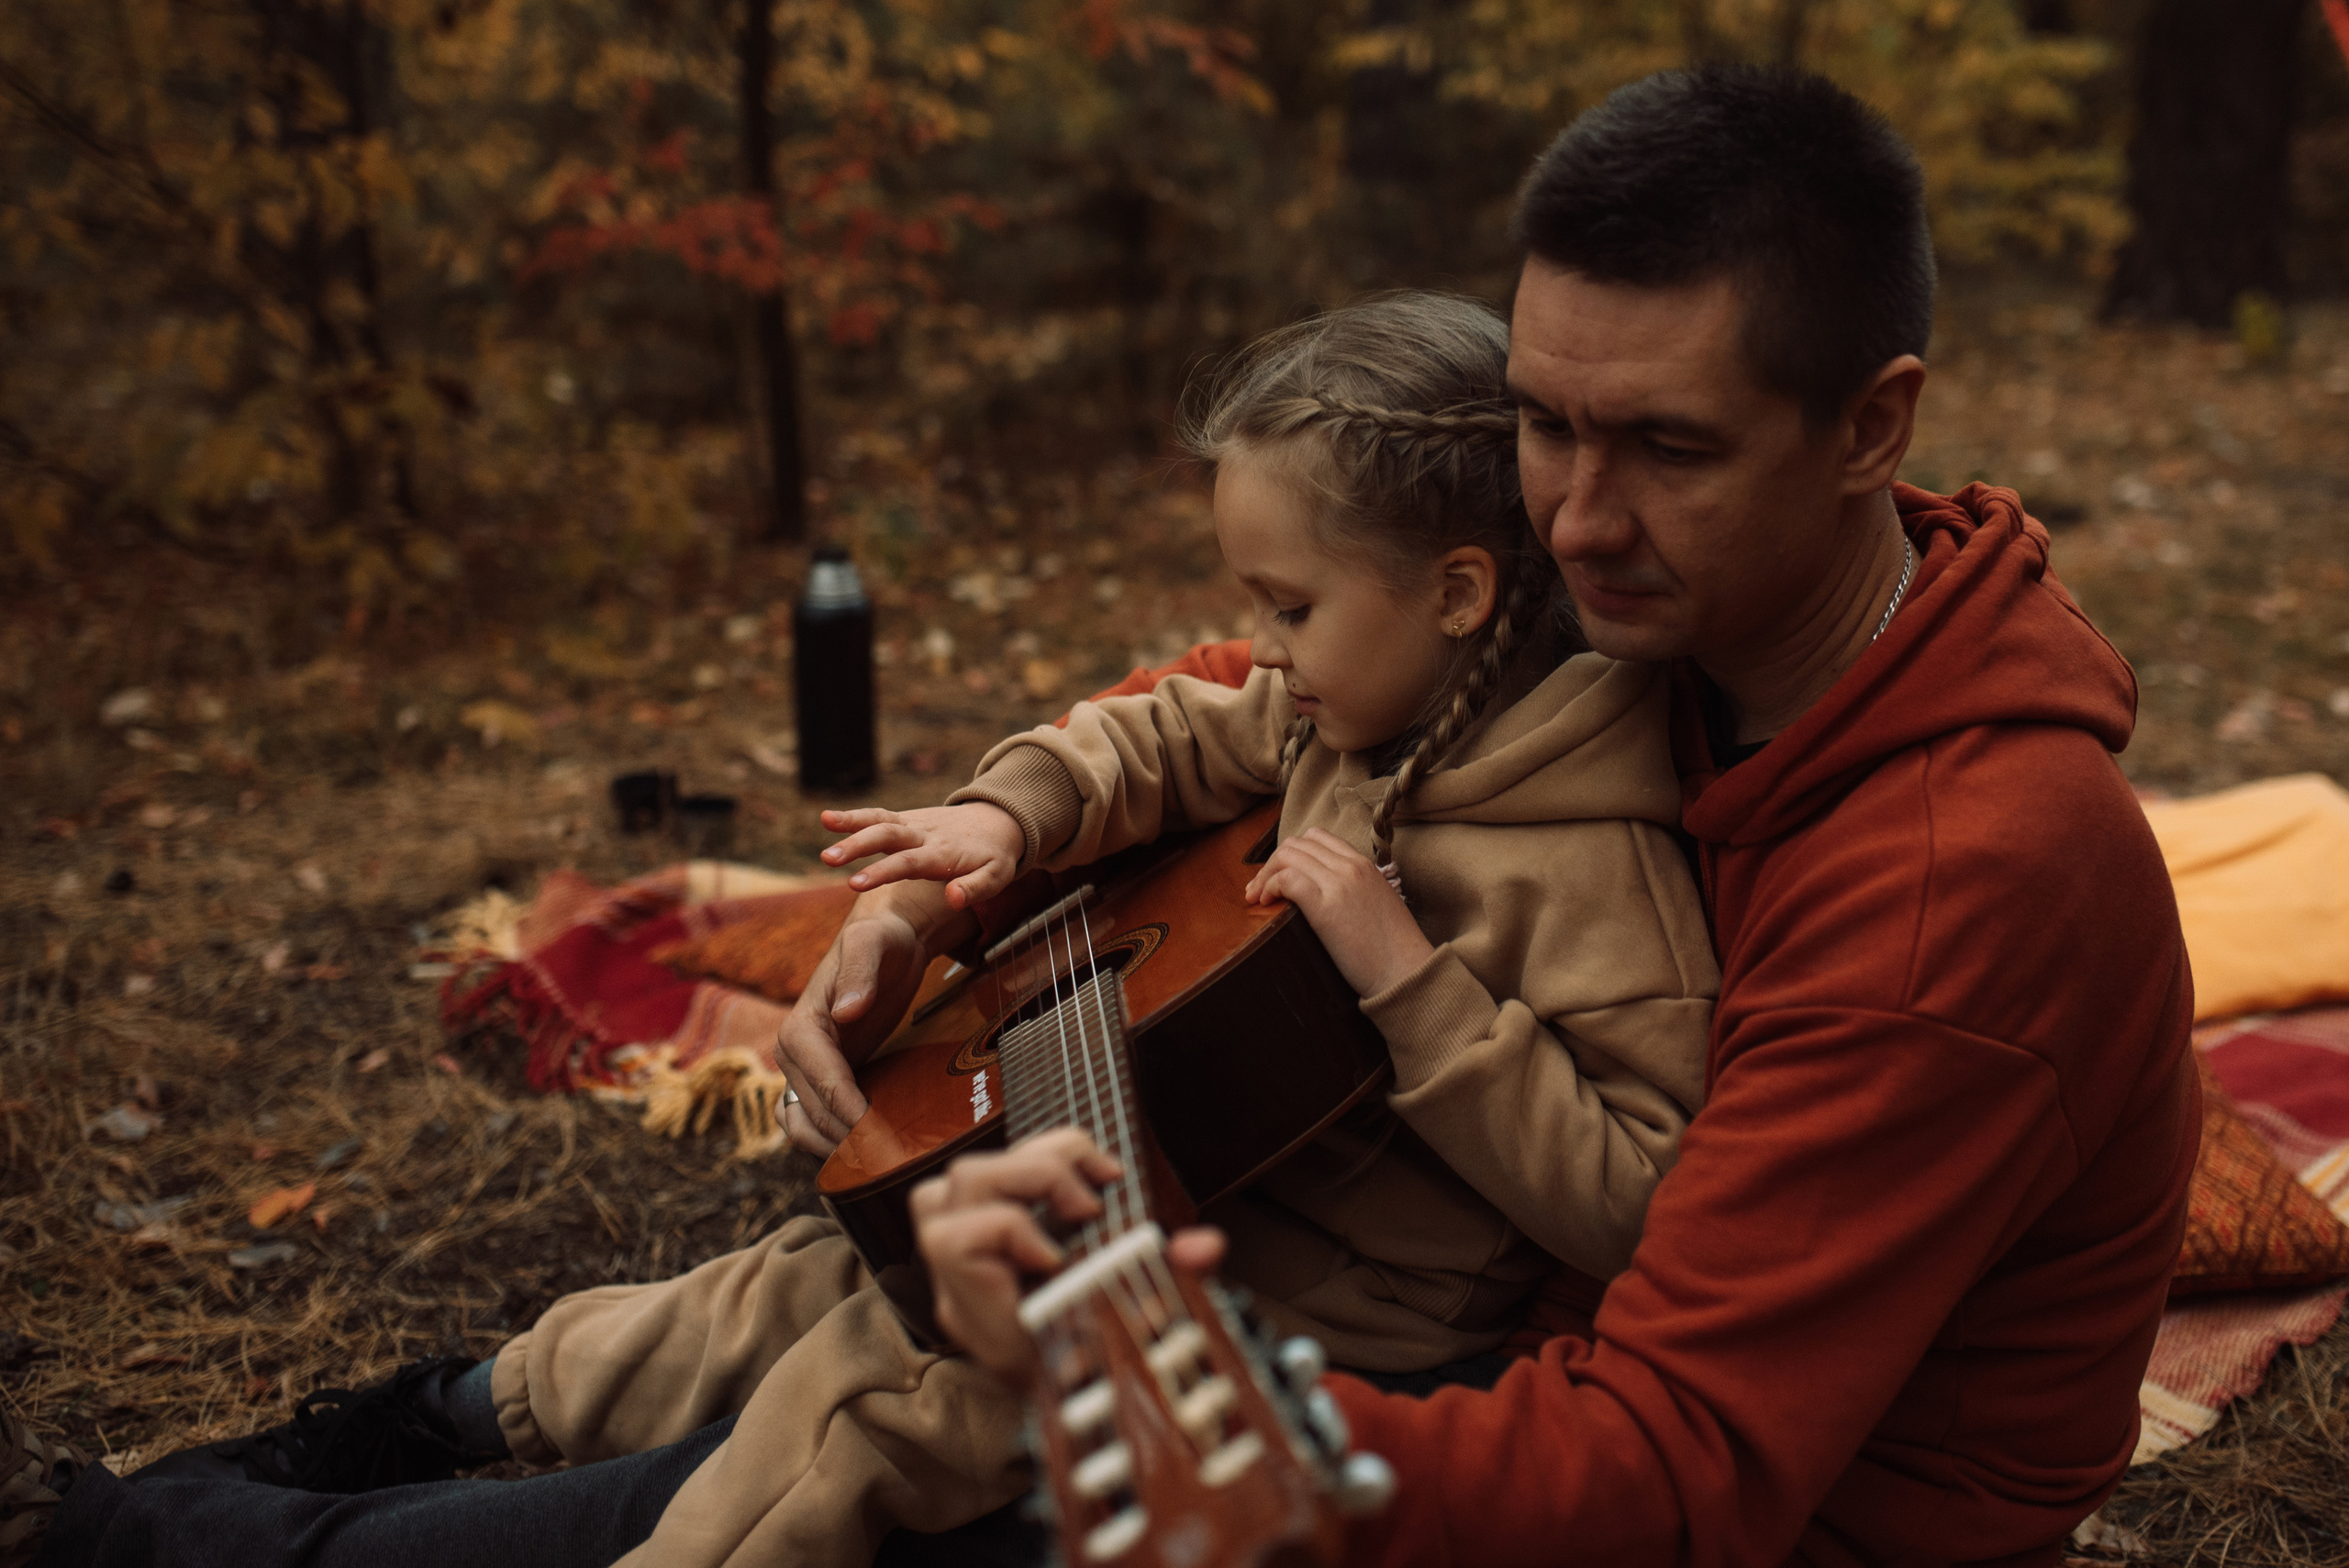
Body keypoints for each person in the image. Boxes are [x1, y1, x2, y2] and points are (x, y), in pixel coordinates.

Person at [16, 292, 1720, 1568]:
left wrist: (1416, 990)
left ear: (1461, 592)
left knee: (874, 1399)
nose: (1254, 653)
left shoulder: (1600, 861)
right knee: (785, 1278)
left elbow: (1639, 1192)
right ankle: (447, 1412)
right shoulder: (1351, 705)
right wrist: (1002, 819)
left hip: (1280, 1317)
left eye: (1285, 608)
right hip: (1149, 1185)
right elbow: (1157, 737)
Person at [912, 61, 2203, 1568]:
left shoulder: (1959, 878)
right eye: (1543, 424)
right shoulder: (1666, 597)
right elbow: (1256, 682)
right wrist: (958, 868)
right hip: (1477, 1346)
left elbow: (1671, 1478)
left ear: (1871, 428)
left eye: (1670, 444)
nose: (1573, 519)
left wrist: (1151, 1375)